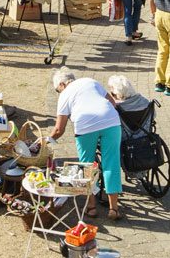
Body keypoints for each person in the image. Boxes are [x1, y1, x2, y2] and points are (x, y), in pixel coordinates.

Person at [50, 67, 124, 220]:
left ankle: (91, 207)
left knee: (86, 165)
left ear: (62, 85)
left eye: (58, 90)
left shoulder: (64, 95)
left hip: (85, 125)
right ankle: (114, 209)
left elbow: (59, 129)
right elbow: (113, 104)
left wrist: (47, 140)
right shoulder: (91, 81)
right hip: (111, 121)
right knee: (112, 163)